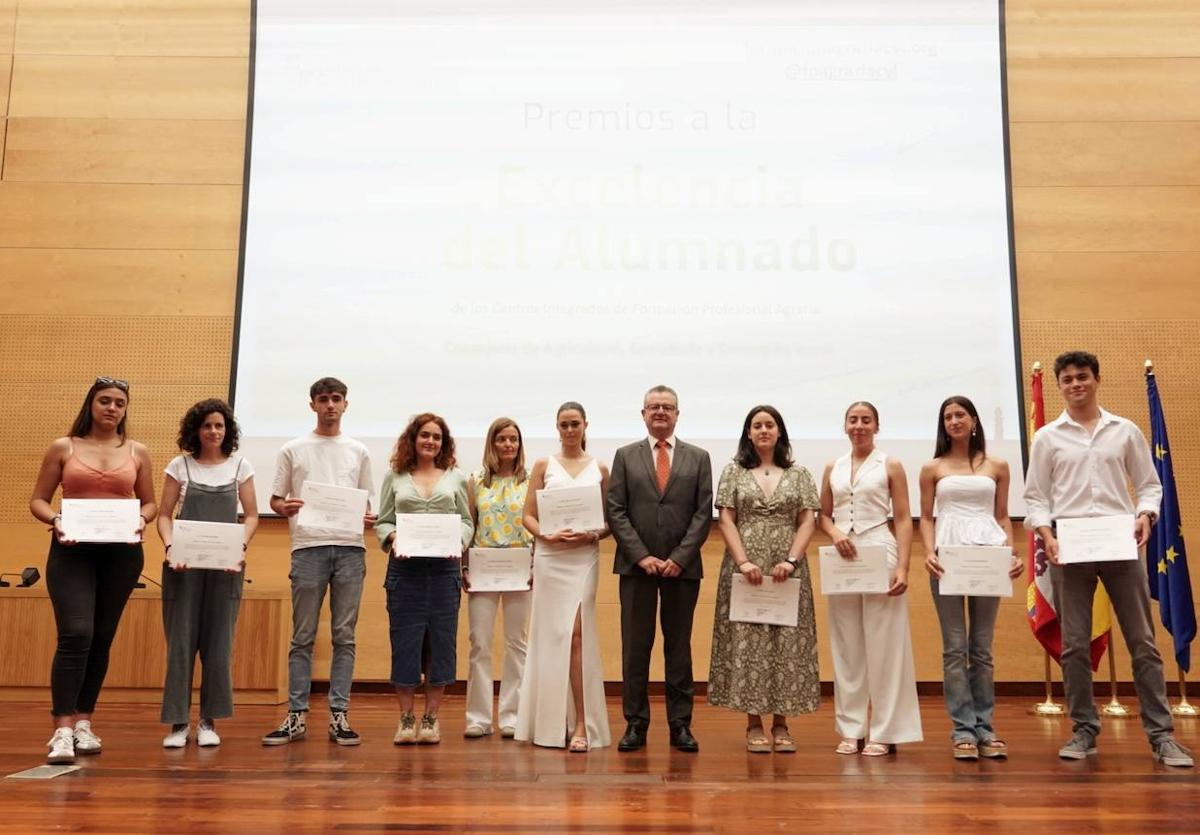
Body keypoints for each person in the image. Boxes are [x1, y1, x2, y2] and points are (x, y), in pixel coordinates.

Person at [1024, 350, 1193, 767]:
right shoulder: (1047, 437)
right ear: (1060, 386)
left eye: (1083, 376)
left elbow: (1149, 486)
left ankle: (1161, 735)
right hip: (1070, 550)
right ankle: (1084, 730)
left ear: (1097, 379)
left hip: (1121, 546)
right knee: (1075, 646)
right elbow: (1035, 497)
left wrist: (1145, 514)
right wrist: (1047, 536)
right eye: (1067, 379)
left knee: (1143, 643)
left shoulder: (1125, 431)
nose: (1075, 384)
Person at [30, 377, 157, 764]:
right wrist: (56, 520)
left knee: (101, 637)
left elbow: (149, 504)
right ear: (91, 404)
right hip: (72, 552)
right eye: (105, 400)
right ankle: (62, 730)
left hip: (121, 555)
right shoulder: (63, 447)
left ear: (125, 409)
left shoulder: (138, 452)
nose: (112, 408)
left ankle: (84, 723)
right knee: (76, 633)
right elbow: (38, 499)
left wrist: (141, 521)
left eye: (120, 403)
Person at [262, 377, 375, 747]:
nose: (330, 405)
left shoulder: (358, 450)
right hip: (308, 547)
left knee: (345, 636)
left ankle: (339, 716)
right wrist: (285, 507)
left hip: (349, 549)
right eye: (323, 399)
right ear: (312, 404)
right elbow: (277, 500)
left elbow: (367, 504)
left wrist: (366, 516)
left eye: (336, 399)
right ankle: (295, 717)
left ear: (346, 404)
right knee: (302, 637)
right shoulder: (293, 448)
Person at [709, 405, 820, 753]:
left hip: (787, 569)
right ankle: (754, 723)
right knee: (750, 642)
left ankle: (782, 724)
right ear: (748, 433)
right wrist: (743, 562)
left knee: (786, 643)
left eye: (769, 425)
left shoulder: (799, 473)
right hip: (745, 568)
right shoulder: (733, 471)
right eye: (756, 426)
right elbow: (726, 519)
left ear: (780, 431)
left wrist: (791, 559)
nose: (763, 431)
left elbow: (807, 520)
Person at [607, 385, 712, 752]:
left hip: (682, 570)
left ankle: (680, 725)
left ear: (678, 414)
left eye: (668, 407)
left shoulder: (699, 458)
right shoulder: (625, 456)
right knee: (635, 649)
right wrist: (641, 555)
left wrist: (679, 557)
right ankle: (635, 724)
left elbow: (703, 513)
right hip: (636, 569)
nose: (661, 412)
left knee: (678, 649)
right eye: (654, 407)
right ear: (643, 414)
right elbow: (616, 511)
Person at [918, 396, 1022, 760]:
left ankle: (985, 727)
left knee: (981, 648)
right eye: (947, 416)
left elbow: (1004, 516)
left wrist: (1011, 553)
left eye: (960, 414)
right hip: (948, 559)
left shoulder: (997, 465)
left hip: (988, 558)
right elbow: (927, 517)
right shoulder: (932, 468)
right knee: (954, 647)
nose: (954, 420)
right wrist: (928, 552)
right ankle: (962, 729)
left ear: (974, 420)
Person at [819, 401, 922, 756]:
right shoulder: (833, 466)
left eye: (866, 420)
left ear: (877, 426)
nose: (858, 425)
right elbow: (823, 515)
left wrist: (903, 567)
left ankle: (886, 730)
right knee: (846, 643)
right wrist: (834, 534)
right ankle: (852, 727)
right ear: (844, 425)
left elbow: (905, 517)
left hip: (880, 547)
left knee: (885, 643)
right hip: (842, 556)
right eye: (853, 420)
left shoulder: (889, 464)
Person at [156, 398, 259, 748]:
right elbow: (164, 515)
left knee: (218, 645)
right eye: (206, 426)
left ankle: (209, 721)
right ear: (195, 430)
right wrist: (170, 548)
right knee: (181, 644)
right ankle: (178, 723)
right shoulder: (179, 466)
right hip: (182, 567)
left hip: (225, 567)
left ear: (227, 430)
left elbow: (252, 515)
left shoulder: (240, 466)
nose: (213, 431)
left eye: (219, 425)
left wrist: (239, 546)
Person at [516, 402, 612, 751]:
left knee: (576, 636)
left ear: (585, 425)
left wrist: (591, 535)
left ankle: (582, 725)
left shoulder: (600, 467)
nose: (570, 430)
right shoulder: (544, 465)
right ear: (557, 427)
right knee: (550, 637)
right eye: (563, 425)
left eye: (575, 424)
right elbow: (527, 515)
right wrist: (546, 535)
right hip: (549, 557)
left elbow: (609, 523)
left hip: (583, 558)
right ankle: (549, 723)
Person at [376, 413, 473, 746]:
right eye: (425, 436)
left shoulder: (456, 478)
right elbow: (383, 522)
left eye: (437, 437)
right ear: (413, 439)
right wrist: (393, 541)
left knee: (441, 646)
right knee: (405, 645)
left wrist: (458, 543)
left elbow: (466, 523)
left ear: (443, 443)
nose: (430, 441)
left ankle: (431, 718)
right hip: (405, 573)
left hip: (444, 571)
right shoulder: (395, 476)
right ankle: (406, 718)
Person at [463, 418, 532, 739]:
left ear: (519, 444)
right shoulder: (475, 481)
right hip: (483, 569)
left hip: (521, 568)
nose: (508, 445)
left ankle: (512, 716)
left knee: (517, 643)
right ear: (492, 443)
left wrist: (534, 566)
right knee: (479, 643)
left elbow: (537, 523)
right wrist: (464, 565)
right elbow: (468, 525)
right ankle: (478, 717)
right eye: (501, 439)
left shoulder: (532, 480)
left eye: (513, 440)